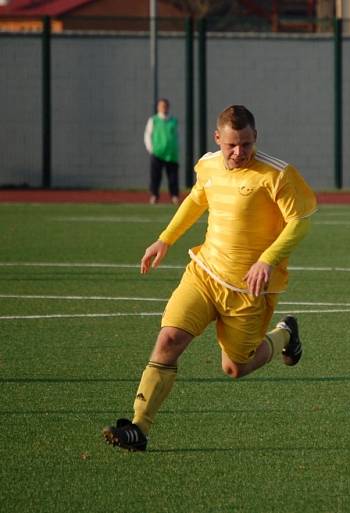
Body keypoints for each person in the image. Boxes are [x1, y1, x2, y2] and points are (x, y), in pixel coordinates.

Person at [103, 105, 317, 451]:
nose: (239, 153)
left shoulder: (277, 174)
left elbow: (300, 222)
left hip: (249, 289)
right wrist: (165, 239)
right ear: (217, 138)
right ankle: (138, 426)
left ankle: (285, 335)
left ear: (255, 138)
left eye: (246, 144)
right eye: (231, 145)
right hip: (204, 274)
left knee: (236, 367)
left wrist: (267, 260)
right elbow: (196, 199)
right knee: (169, 339)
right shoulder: (207, 165)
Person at [144, 98, 180, 205]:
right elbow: (147, 135)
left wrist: (176, 148)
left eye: (165, 106)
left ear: (168, 107)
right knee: (155, 176)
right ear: (158, 107)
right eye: (161, 106)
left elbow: (178, 136)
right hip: (157, 153)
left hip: (171, 154)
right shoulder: (153, 120)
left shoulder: (173, 121)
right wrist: (151, 149)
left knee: (173, 177)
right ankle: (154, 196)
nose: (163, 108)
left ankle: (174, 196)